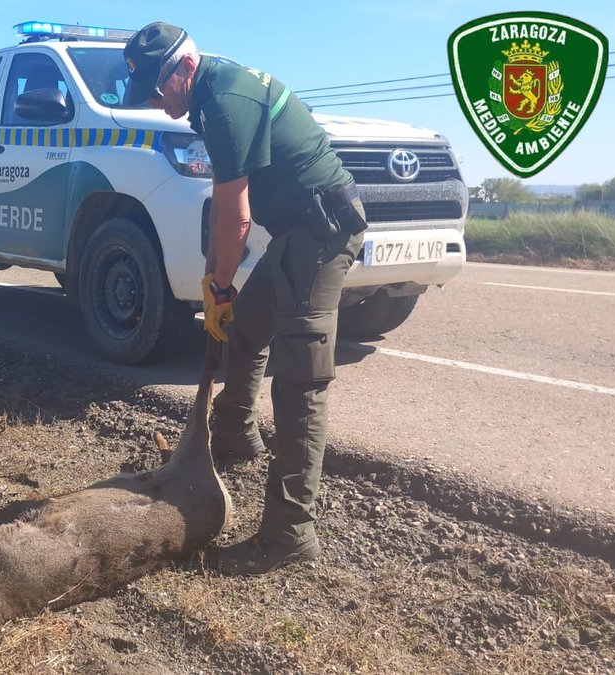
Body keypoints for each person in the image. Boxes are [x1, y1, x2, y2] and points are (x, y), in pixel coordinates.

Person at [124, 22, 368, 575]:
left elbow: (236, 216)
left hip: (322, 237)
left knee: (300, 382)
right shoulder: (207, 100)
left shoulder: (225, 102)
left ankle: (289, 534)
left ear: (185, 67)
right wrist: (216, 282)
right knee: (247, 328)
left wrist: (220, 284)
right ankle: (236, 435)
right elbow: (224, 204)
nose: (157, 104)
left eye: (158, 91)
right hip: (295, 234)